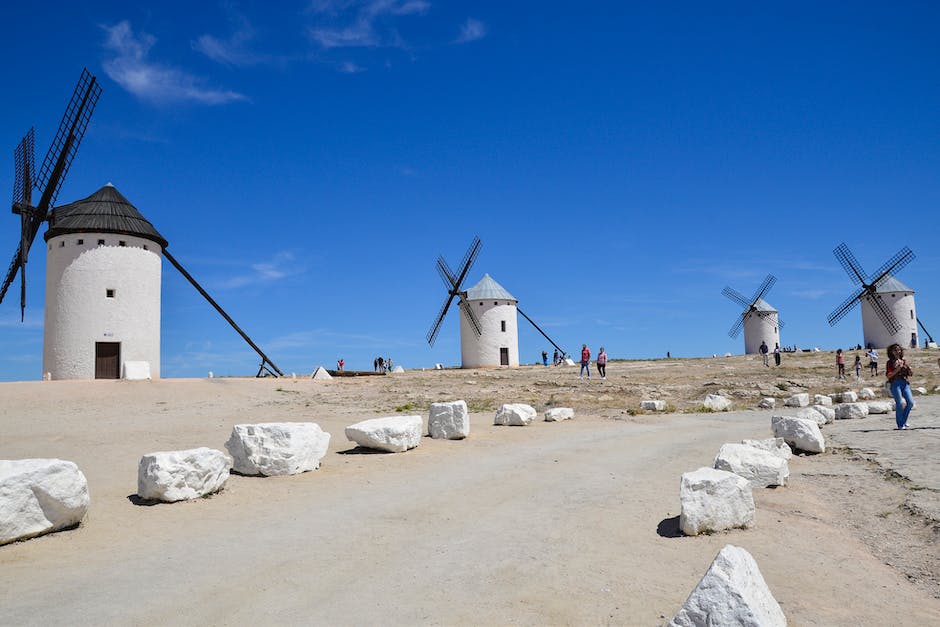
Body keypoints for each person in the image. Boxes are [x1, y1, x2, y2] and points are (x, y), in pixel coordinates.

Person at [886, 343, 915, 429]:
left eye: (899, 350)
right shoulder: (890, 363)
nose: (897, 351)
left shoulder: (904, 361)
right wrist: (897, 369)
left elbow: (910, 374)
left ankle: (903, 420)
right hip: (895, 383)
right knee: (900, 403)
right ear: (891, 352)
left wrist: (909, 370)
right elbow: (888, 375)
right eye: (895, 350)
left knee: (910, 402)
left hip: (904, 383)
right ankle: (900, 424)